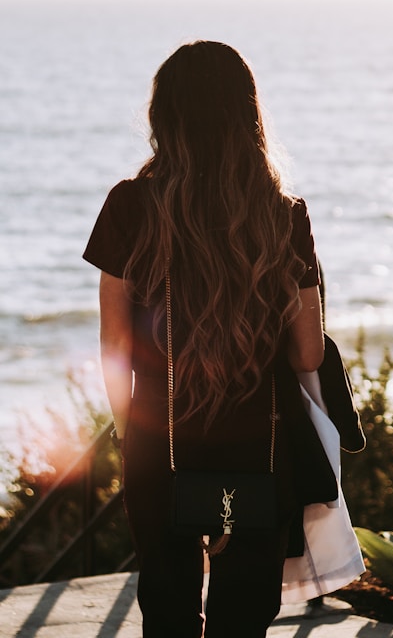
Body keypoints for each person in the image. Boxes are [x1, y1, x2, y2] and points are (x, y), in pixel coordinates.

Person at [83, 41, 336, 638]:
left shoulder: (128, 206)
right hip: (260, 442)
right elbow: (307, 354)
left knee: (168, 613)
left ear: (163, 117)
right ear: (247, 117)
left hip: (157, 435)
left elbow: (114, 349)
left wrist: (128, 432)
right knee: (242, 620)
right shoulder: (284, 215)